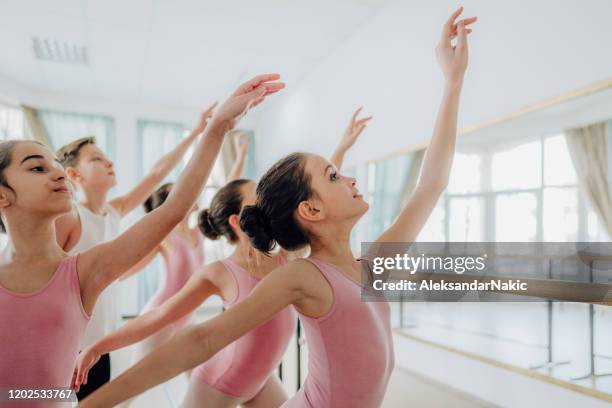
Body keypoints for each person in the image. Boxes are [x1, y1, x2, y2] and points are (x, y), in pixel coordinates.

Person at [78, 8, 476, 408]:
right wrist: (96, 400)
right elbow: (203, 338)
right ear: (311, 211)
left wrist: (453, 83)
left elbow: (431, 184)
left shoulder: (370, 266)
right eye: (335, 177)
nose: (352, 180)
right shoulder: (302, 274)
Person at [0, 74, 284, 408]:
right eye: (37, 169)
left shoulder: (84, 269)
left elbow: (171, 207)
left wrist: (217, 127)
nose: (58, 173)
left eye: (56, 166)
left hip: (96, 353)